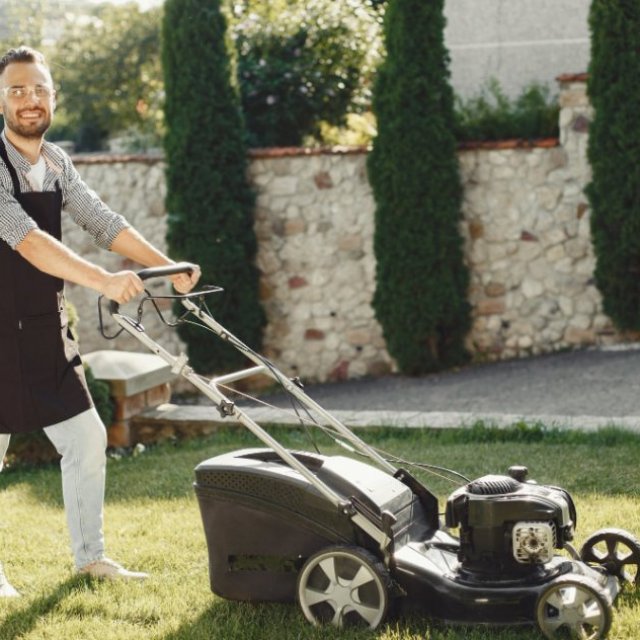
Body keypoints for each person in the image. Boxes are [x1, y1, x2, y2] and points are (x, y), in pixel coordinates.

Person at [0, 46, 200, 596]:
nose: (29, 99)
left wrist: (165, 266)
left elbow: (102, 222)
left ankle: (91, 559)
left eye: (38, 88)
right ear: (1, 100)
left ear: (54, 95)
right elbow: (29, 241)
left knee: (86, 437)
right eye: (16, 89)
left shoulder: (58, 163)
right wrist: (107, 281)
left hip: (43, 327)